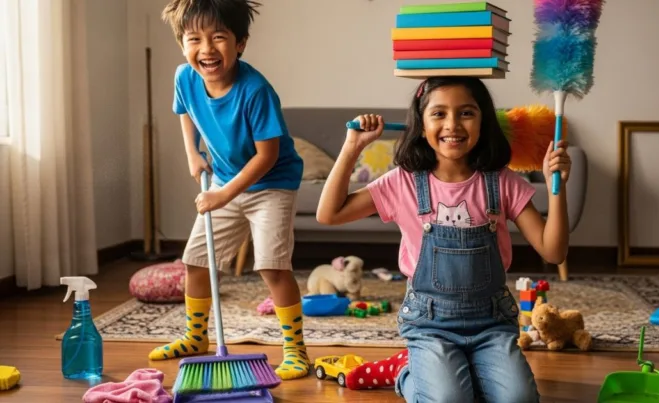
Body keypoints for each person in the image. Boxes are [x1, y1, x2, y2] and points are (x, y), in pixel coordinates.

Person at [316, 76, 572, 401]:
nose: (453, 124)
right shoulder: (403, 182)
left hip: (491, 323)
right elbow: (329, 214)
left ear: (483, 121)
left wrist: (557, 185)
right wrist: (352, 147)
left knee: (519, 399)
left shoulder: (502, 182)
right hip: (429, 324)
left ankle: (458, 373)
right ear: (421, 125)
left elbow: (554, 251)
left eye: (466, 113)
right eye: (439, 114)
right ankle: (407, 372)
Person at [149, 0, 310, 381]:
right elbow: (184, 111)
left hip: (271, 183)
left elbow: (267, 156)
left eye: (218, 37)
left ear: (240, 43)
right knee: (195, 261)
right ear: (182, 44)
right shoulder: (184, 77)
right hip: (223, 179)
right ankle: (195, 337)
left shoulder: (255, 91)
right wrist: (192, 153)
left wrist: (224, 195)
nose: (206, 49)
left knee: (272, 266)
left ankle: (295, 350)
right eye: (194, 39)